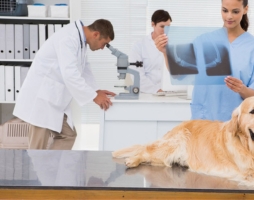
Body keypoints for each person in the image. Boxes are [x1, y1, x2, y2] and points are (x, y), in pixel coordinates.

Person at [155, 0, 254, 121]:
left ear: (245, 9)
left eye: (235, 11)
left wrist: (241, 89)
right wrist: (166, 54)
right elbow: (178, 75)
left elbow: (253, 95)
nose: (229, 16)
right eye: (225, 10)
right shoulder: (203, 40)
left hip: (236, 121)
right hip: (204, 118)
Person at [13, 19, 116, 150]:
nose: (102, 48)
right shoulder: (68, 38)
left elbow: (84, 68)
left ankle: (50, 167)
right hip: (42, 97)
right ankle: (37, 170)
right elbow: (70, 74)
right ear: (96, 34)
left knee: (69, 135)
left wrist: (96, 90)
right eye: (104, 43)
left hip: (54, 98)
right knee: (37, 147)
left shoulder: (81, 41)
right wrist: (93, 96)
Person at [129, 9, 172, 94]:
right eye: (162, 26)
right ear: (153, 24)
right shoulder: (139, 46)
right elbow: (136, 74)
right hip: (147, 94)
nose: (166, 30)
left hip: (170, 93)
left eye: (168, 27)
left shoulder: (174, 45)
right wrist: (156, 90)